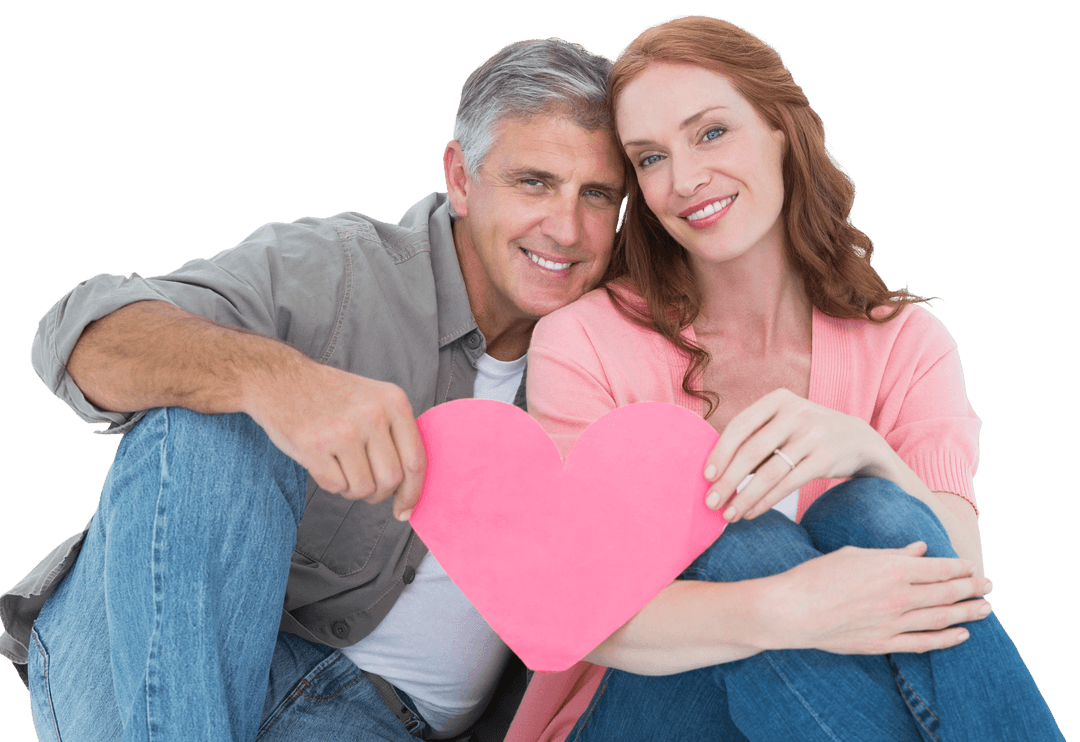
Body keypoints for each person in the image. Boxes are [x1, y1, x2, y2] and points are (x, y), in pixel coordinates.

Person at [0, 38, 626, 741]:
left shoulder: (621, 360)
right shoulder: (343, 270)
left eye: (597, 194)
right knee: (210, 417)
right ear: (461, 178)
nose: (567, 228)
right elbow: (83, 338)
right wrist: (280, 382)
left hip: (375, 722)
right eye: (534, 182)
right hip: (166, 661)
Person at [507, 15, 1064, 742]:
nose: (684, 181)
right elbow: (573, 616)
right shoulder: (585, 340)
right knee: (727, 534)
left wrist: (867, 450)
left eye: (710, 133)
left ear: (780, 129)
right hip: (637, 713)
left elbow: (958, 585)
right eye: (649, 159)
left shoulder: (908, 344)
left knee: (879, 512)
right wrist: (796, 605)